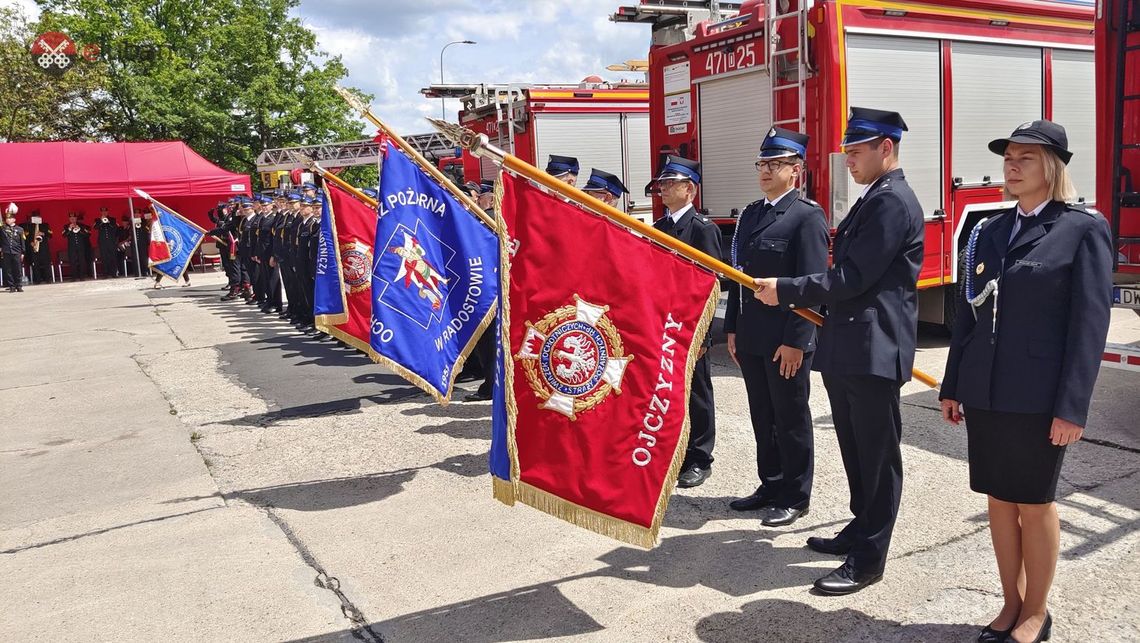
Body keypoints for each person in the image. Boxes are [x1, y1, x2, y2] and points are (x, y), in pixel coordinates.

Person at [939, 120, 1112, 643]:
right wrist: (953, 384)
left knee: (1034, 503)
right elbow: (967, 317)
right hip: (987, 389)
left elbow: (1089, 325)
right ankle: (1009, 602)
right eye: (1008, 158)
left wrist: (1073, 407)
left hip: (1039, 395)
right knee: (998, 498)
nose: (1011, 167)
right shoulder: (988, 230)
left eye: (1025, 159)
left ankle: (1037, 610)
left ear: (1052, 168)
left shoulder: (1080, 229)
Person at [754, 107, 924, 594]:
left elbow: (851, 278)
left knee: (876, 455)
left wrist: (785, 288)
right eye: (847, 150)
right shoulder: (875, 197)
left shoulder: (892, 201)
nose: (847, 159)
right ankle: (859, 526)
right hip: (852, 345)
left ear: (885, 149)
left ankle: (870, 556)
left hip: (874, 348)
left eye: (856, 151)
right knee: (855, 448)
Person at [725, 127, 829, 527]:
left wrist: (797, 342)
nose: (765, 171)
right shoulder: (752, 213)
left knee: (790, 418)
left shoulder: (806, 217)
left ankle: (795, 494)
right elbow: (739, 277)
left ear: (796, 170)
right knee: (761, 414)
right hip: (752, 336)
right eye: (762, 164)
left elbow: (813, 283)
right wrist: (732, 327)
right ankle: (770, 484)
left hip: (786, 338)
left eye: (775, 164)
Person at [648, 155, 721, 488]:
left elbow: (710, 286)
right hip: (663, 323)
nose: (662, 189)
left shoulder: (703, 230)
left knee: (698, 393)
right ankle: (673, 450)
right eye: (662, 183)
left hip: (691, 325)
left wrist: (704, 336)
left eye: (669, 183)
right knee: (668, 389)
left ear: (689, 190)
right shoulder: (659, 229)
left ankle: (699, 457)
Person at [464, 181, 499, 402]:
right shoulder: (476, 219)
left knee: (490, 342)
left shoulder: (490, 219)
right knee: (485, 342)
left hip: (490, 288)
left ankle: (491, 384)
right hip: (481, 286)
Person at [2, 205, 26, 292]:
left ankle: (18, 285)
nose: (8, 220)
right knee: (8, 269)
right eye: (7, 218)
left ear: (14, 219)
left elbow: (22, 241)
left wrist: (23, 252)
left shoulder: (20, 229)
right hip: (7, 251)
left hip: (17, 252)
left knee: (18, 269)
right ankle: (11, 286)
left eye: (10, 218)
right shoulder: (3, 229)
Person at [23, 210, 52, 284]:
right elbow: (26, 237)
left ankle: (48, 279)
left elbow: (50, 235)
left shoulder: (45, 225)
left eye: (38, 217)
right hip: (34, 248)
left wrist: (43, 233)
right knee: (35, 264)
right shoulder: (29, 226)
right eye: (34, 217)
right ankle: (37, 280)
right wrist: (30, 243)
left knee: (46, 263)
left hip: (43, 248)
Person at [63, 212, 91, 281]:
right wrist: (69, 229)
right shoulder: (66, 226)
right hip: (72, 247)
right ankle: (74, 277)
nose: (72, 219)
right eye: (71, 218)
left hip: (81, 246)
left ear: (76, 218)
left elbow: (88, 234)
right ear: (69, 219)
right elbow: (64, 235)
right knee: (72, 261)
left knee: (82, 261)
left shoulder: (81, 225)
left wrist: (80, 229)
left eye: (74, 218)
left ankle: (82, 277)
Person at [94, 207, 121, 278]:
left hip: (111, 241)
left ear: (107, 212)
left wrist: (108, 222)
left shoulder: (112, 219)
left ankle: (114, 273)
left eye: (105, 211)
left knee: (113, 257)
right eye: (102, 212)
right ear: (101, 212)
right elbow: (95, 227)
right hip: (103, 242)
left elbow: (115, 227)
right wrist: (101, 221)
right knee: (104, 257)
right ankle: (105, 274)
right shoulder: (97, 220)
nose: (104, 213)